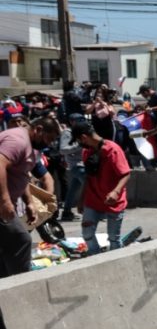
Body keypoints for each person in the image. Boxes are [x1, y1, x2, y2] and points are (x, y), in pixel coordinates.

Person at [0, 117, 61, 278]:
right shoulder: (18, 141)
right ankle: (21, 284)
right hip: (1, 204)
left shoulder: (29, 145)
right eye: (49, 139)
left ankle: (5, 284)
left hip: (8, 204)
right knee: (21, 240)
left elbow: (21, 175)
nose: (49, 144)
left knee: (7, 246)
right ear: (38, 129)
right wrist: (5, 201)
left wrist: (29, 202)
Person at [72, 120, 131, 255]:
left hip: (114, 201)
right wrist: (81, 199)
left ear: (84, 137)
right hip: (93, 200)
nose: (79, 144)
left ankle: (116, 258)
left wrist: (116, 191)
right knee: (87, 233)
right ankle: (95, 256)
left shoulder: (113, 149)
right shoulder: (87, 152)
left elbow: (126, 174)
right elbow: (88, 178)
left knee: (113, 238)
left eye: (78, 140)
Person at [58, 116, 85, 221]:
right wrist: (79, 145)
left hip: (83, 164)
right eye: (79, 121)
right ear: (72, 122)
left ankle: (66, 212)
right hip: (76, 166)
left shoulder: (81, 131)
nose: (81, 123)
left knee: (72, 190)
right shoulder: (67, 133)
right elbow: (63, 150)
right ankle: (96, 211)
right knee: (91, 186)